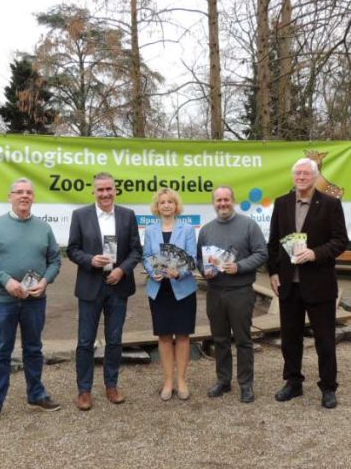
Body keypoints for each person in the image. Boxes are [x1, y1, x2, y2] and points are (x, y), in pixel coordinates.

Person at [0, 178, 62, 425]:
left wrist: (45, 281)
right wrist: (5, 280)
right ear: (10, 196)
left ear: (33, 197)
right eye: (19, 192)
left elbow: (55, 260)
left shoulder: (43, 228)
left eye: (29, 193)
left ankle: (36, 395)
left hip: (35, 300)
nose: (24, 196)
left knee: (34, 349)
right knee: (1, 351)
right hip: (4, 301)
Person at [267, 158, 349, 409]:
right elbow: (273, 242)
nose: (301, 177)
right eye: (298, 173)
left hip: (319, 284)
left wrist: (315, 253)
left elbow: (340, 241)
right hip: (288, 285)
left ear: (314, 177)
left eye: (306, 173)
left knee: (324, 339)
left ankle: (328, 387)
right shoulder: (281, 204)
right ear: (293, 177)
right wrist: (272, 272)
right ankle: (293, 382)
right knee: (290, 338)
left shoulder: (330, 204)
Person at [67, 172, 142, 411]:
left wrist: (122, 270)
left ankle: (111, 385)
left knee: (115, 339)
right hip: (90, 286)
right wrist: (90, 260)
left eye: (109, 189)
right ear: (94, 192)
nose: (105, 194)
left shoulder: (127, 215)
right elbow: (72, 250)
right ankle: (84, 391)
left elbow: (135, 251)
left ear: (115, 190)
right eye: (100, 190)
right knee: (85, 341)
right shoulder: (80, 215)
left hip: (118, 286)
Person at [197, 185, 268, 403]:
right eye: (218, 200)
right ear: (213, 204)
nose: (223, 204)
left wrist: (240, 266)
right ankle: (223, 381)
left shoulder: (248, 225)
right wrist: (204, 270)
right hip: (215, 291)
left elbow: (262, 253)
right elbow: (200, 259)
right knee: (219, 339)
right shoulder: (207, 230)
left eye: (226, 200)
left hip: (240, 291)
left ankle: (246, 384)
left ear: (233, 200)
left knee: (243, 340)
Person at [142, 188, 198, 401]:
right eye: (162, 202)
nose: (166, 205)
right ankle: (167, 380)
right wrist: (151, 271)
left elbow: (192, 259)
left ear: (176, 206)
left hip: (182, 289)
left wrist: (179, 272)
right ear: (157, 206)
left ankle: (181, 380)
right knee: (164, 336)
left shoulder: (187, 229)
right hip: (159, 290)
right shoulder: (150, 230)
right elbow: (146, 256)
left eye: (170, 202)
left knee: (183, 336)